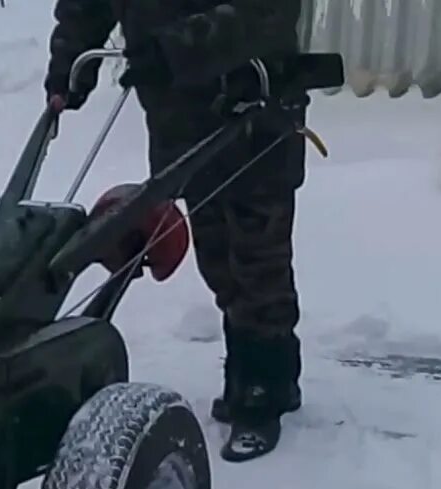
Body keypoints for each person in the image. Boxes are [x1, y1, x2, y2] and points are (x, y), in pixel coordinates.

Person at [44, 0, 310, 462]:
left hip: (254, 105)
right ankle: (257, 371)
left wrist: (175, 48)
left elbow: (268, 12)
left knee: (257, 259)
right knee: (219, 261)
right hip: (182, 119)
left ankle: (264, 389)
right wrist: (69, 63)